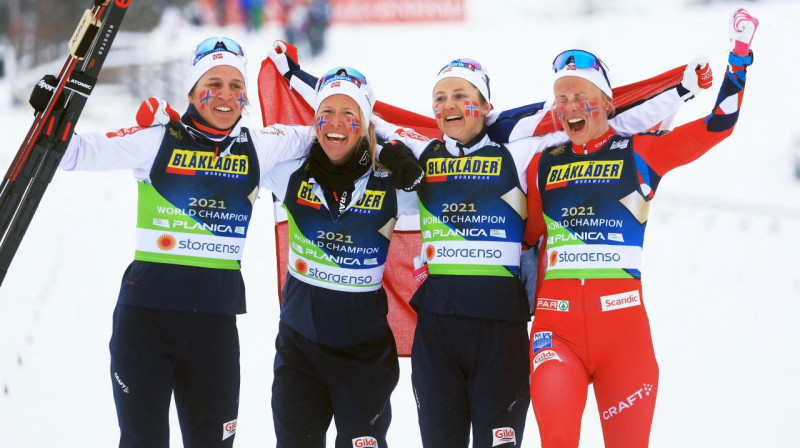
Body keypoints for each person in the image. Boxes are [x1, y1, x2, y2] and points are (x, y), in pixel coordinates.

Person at [267, 44, 710, 447]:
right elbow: (362, 118)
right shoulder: (423, 153)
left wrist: (679, 90)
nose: (450, 105)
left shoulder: (516, 151)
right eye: (441, 98)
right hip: (438, 334)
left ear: (485, 105)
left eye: (462, 95)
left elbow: (599, 116)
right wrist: (296, 79)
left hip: (500, 333)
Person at [58, 37, 318, 448]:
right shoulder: (158, 139)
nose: (226, 96)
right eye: (213, 84)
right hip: (145, 325)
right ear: (193, 92)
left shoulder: (259, 146)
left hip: (214, 331)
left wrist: (299, 80)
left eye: (236, 86)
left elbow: (330, 132)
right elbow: (75, 153)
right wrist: (54, 111)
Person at [524, 9, 758, 448]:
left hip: (623, 338)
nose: (570, 108)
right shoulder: (542, 164)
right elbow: (523, 237)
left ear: (608, 102)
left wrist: (739, 58)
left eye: (581, 96)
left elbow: (718, 126)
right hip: (557, 334)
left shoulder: (641, 153)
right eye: (562, 100)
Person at [262, 66, 423, 448]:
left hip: (364, 355)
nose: (335, 124)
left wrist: (393, 145)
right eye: (326, 112)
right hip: (299, 349)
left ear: (365, 121)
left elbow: (451, 158)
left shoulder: (392, 181)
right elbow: (233, 144)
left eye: (350, 114)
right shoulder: (287, 171)